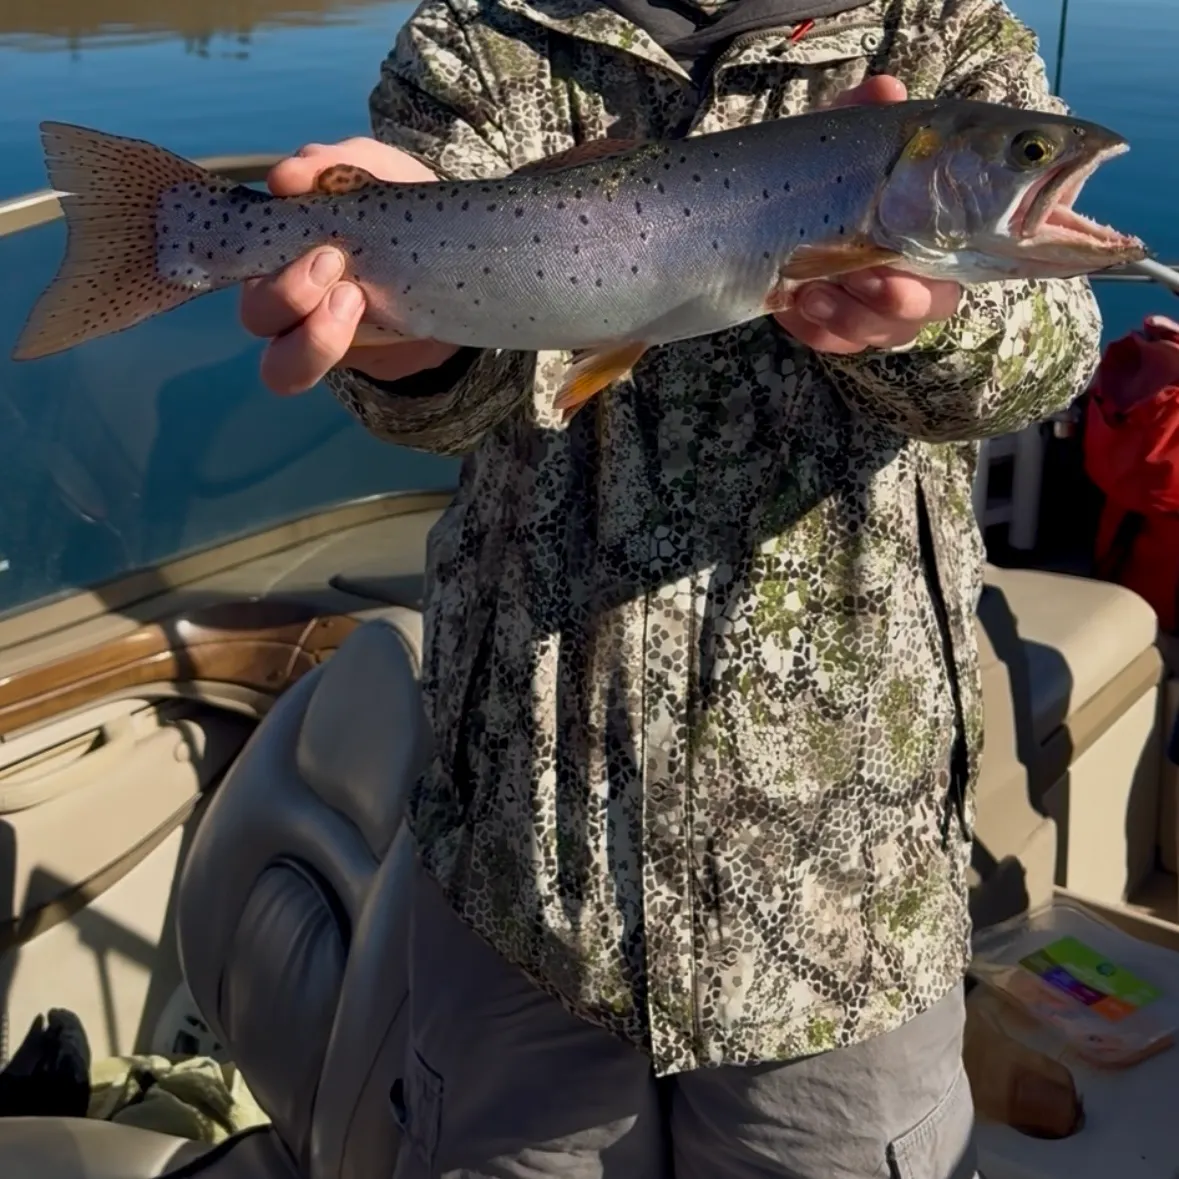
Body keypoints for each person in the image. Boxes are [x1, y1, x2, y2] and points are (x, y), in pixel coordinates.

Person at [239, 0, 1101, 1174]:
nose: (1039, 161)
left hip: (845, 882)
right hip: (519, 862)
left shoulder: (940, 29)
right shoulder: (475, 38)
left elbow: (1051, 348)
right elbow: (451, 395)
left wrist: (930, 330)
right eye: (1026, 154)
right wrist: (414, 347)